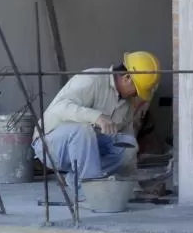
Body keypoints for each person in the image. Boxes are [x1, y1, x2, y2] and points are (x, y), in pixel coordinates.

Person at [33, 51, 161, 186]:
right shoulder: (92, 79)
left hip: (86, 150)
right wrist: (96, 117)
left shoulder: (127, 104)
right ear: (127, 77)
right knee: (83, 130)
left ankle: (77, 180)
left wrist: (133, 185)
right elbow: (61, 107)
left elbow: (127, 138)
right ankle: (91, 191)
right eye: (137, 89)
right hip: (50, 144)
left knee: (129, 145)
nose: (136, 95)